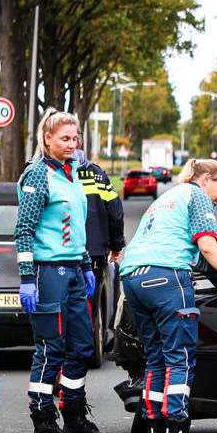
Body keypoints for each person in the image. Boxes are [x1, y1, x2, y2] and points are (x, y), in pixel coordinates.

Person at [117, 159, 217, 433]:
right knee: (179, 358)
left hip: (133, 279)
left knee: (155, 357)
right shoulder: (196, 196)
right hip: (166, 277)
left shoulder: (168, 197)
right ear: (206, 179)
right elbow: (208, 246)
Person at [16, 111, 114, 433]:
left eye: (75, 139)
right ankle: (42, 423)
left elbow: (76, 230)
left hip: (73, 270)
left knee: (83, 347)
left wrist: (86, 265)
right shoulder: (37, 175)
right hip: (48, 272)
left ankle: (74, 416)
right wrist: (28, 277)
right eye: (65, 139)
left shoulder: (72, 175)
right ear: (47, 138)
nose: (73, 144)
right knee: (51, 348)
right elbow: (24, 230)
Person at [74, 147, 125, 364]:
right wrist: (116, 244)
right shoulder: (97, 174)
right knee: (88, 308)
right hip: (93, 251)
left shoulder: (45, 170)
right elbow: (115, 210)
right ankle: (82, 356)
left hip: (55, 255)